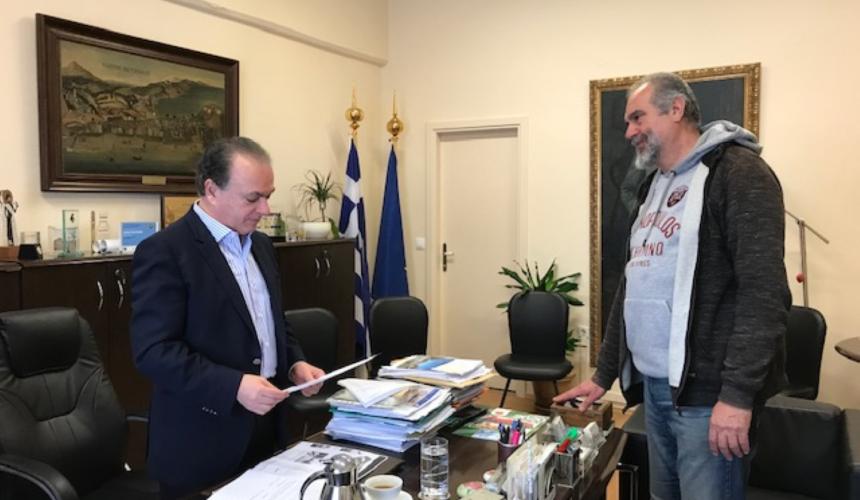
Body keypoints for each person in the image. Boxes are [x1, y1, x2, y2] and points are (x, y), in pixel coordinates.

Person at [554, 73, 790, 500]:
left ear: (676, 109)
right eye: (627, 122)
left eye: (637, 117)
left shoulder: (739, 173)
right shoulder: (653, 186)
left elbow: (764, 294)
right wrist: (604, 374)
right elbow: (633, 286)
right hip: (656, 389)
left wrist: (737, 397)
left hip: (708, 398)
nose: (629, 132)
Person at [131, 137, 325, 499]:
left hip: (266, 428)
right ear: (211, 190)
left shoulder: (261, 246)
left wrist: (294, 363)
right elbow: (154, 352)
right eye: (253, 198)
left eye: (268, 196)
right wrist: (234, 386)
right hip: (201, 442)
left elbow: (270, 321)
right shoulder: (165, 251)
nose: (265, 209)